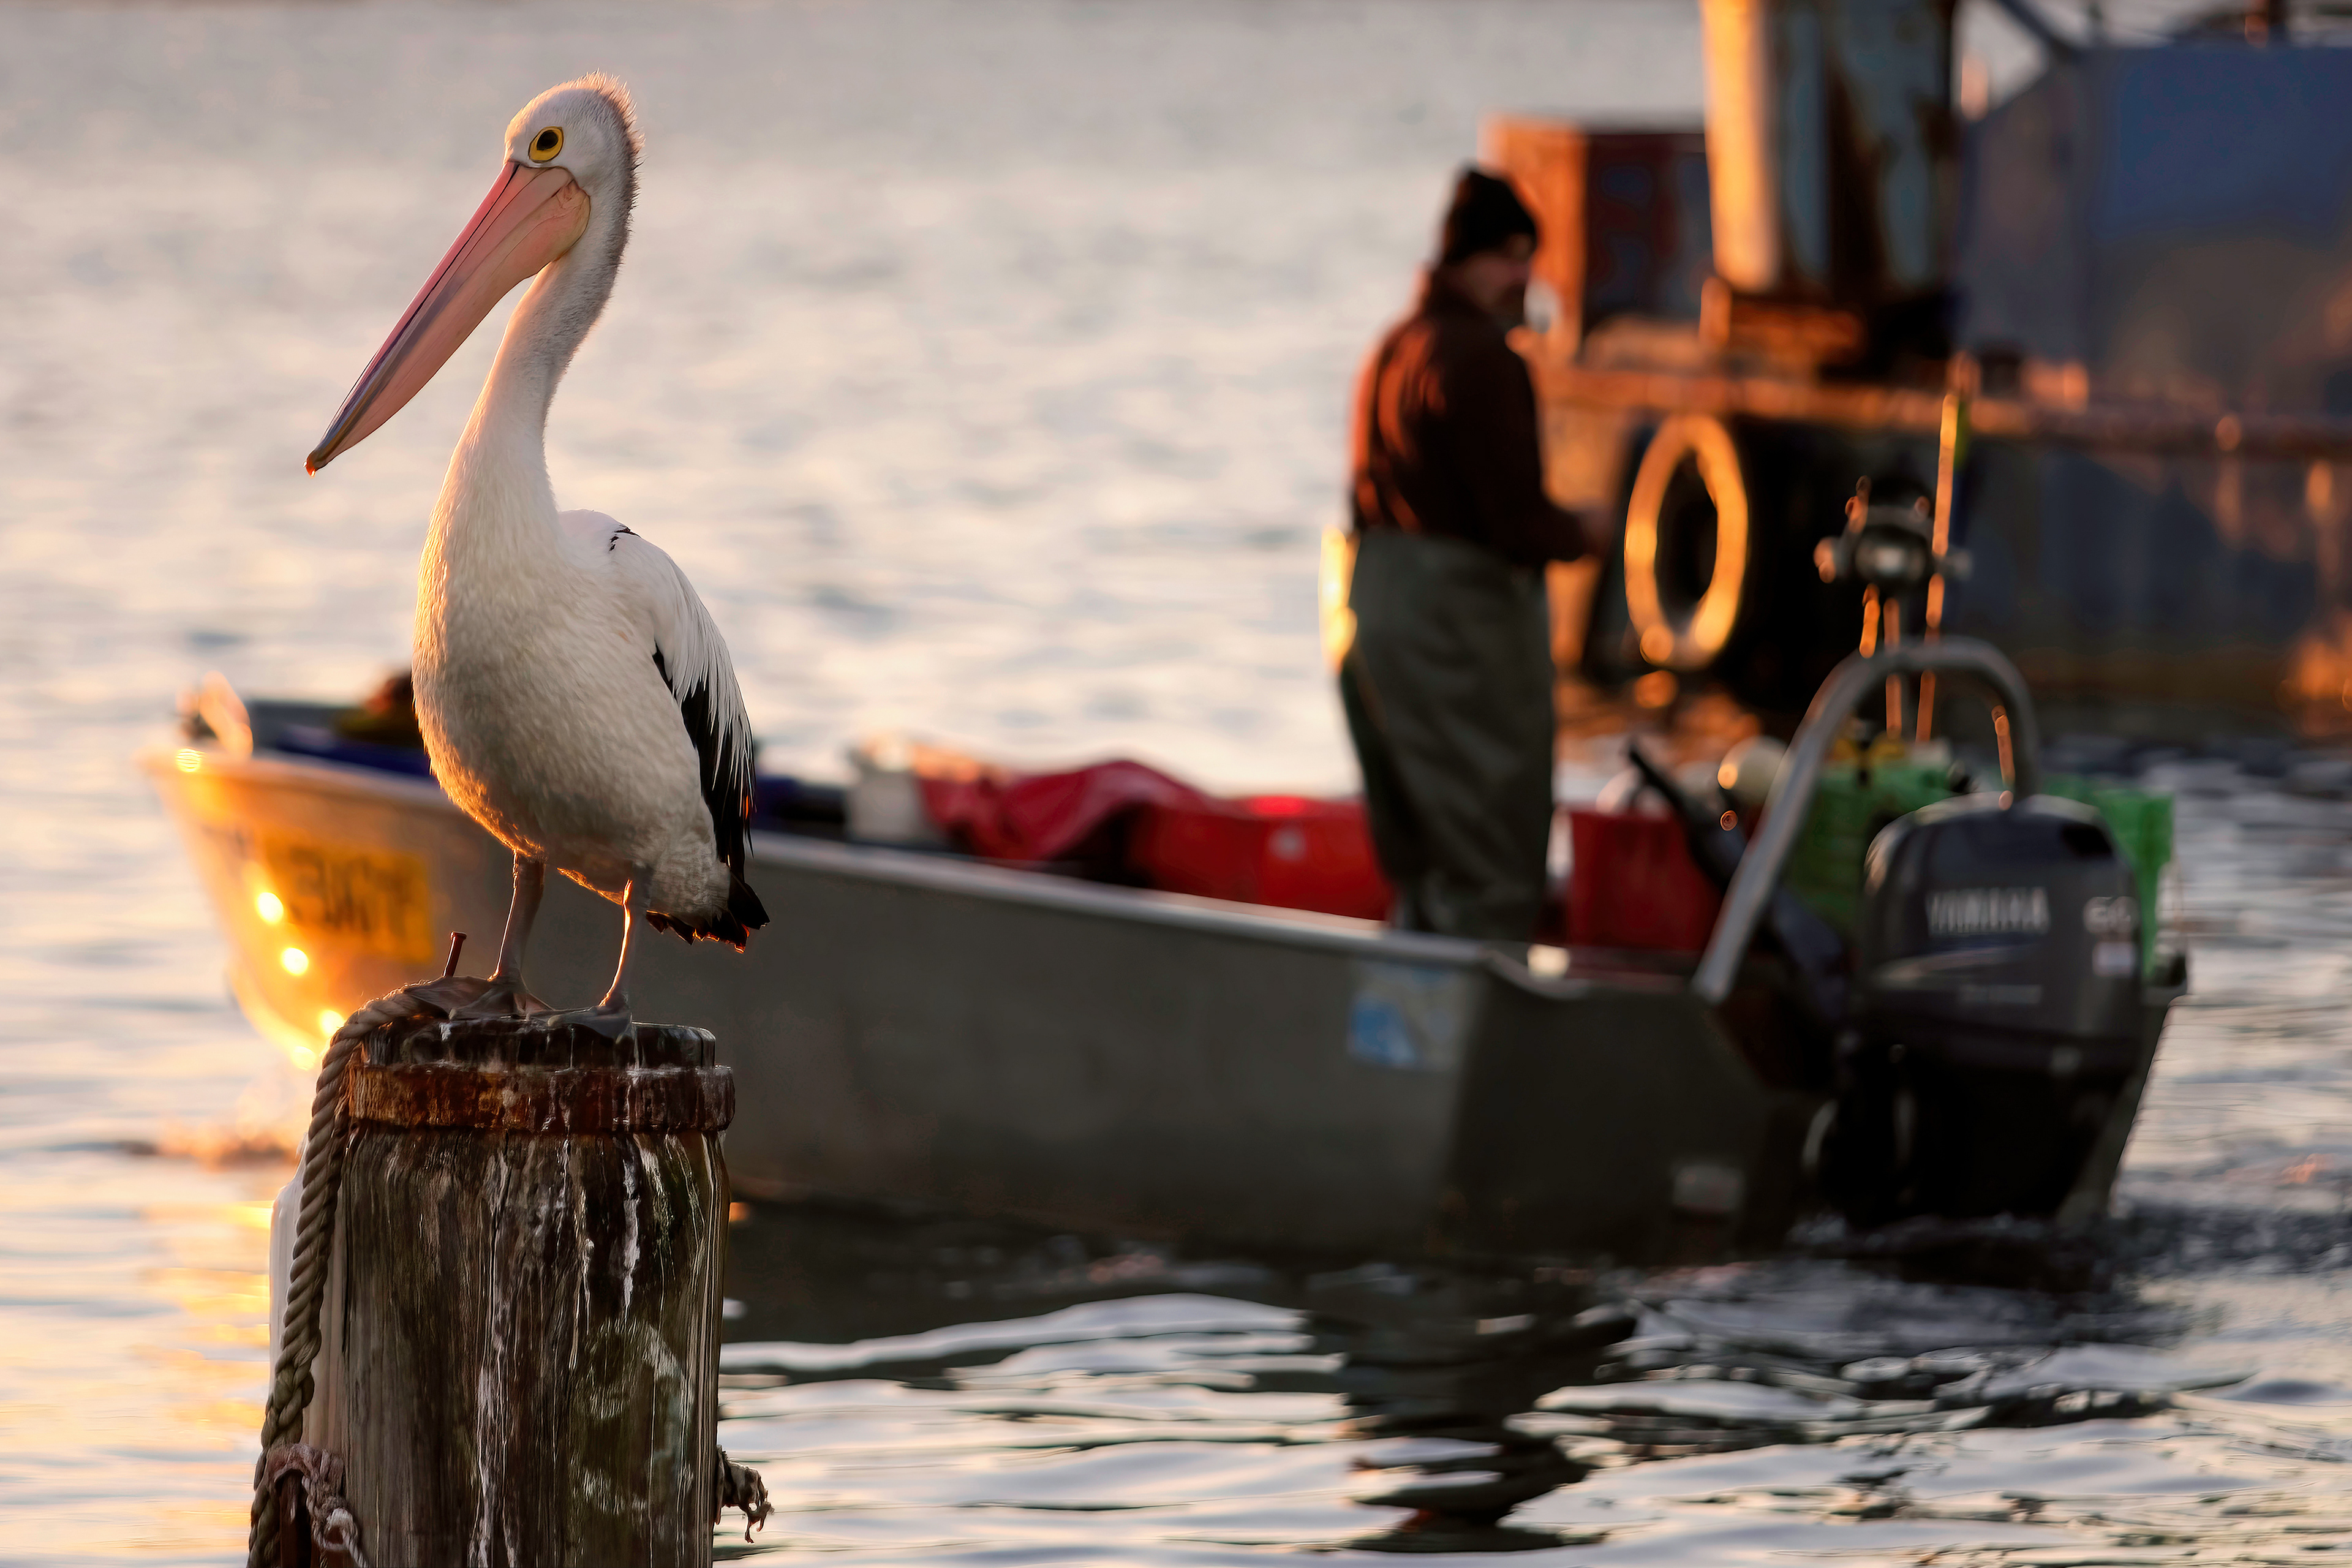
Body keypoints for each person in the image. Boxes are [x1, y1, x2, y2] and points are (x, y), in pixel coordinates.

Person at [1339, 167, 1591, 941]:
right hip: (1457, 631)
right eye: (1511, 256)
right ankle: (1482, 1036)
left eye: (1530, 256)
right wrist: (1593, 531)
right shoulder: (1483, 358)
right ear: (1464, 258)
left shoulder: (1394, 347)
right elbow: (1517, 526)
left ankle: (1405, 1030)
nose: (1525, 277)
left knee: (1420, 846)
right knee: (1491, 843)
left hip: (1369, 616)